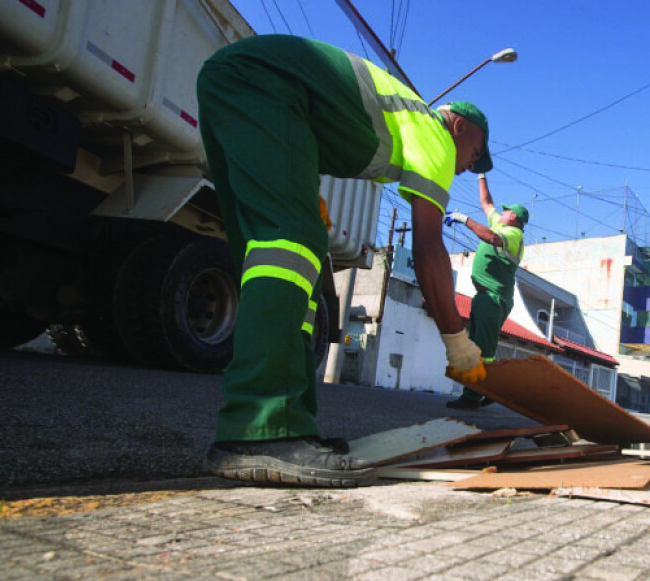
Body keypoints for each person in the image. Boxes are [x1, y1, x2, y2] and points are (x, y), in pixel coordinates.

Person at [195, 34, 488, 486]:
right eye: (474, 154)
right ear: (460, 128)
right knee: (289, 247)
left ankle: (289, 425)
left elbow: (309, 119)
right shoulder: (435, 135)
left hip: (242, 83)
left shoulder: (407, 120)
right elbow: (430, 249)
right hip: (263, 85)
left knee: (286, 258)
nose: (469, 165)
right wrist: (457, 341)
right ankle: (261, 430)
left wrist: (305, 193)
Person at [443, 173, 528, 410]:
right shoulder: (501, 224)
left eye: (506, 211)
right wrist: (481, 174)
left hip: (493, 297)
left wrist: (462, 218)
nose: (500, 212)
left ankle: (472, 397)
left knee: (482, 349)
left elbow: (490, 237)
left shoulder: (513, 234)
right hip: (485, 296)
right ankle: (493, 390)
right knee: (479, 346)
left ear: (513, 217)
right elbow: (486, 202)